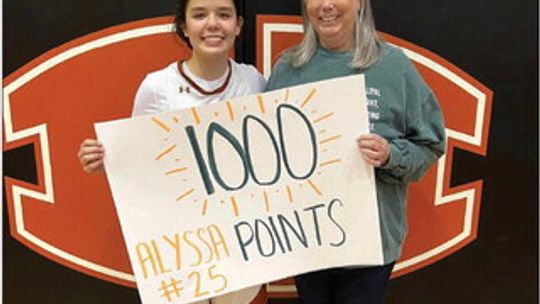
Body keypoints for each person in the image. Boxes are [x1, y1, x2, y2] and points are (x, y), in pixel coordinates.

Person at [77, 0, 265, 303]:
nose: (213, 24)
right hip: (180, 246)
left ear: (239, 25)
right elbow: (137, 161)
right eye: (200, 15)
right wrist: (105, 160)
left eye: (224, 15)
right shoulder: (157, 87)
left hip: (239, 243)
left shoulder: (254, 81)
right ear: (184, 25)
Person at [265, 0, 446, 303]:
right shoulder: (287, 69)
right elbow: (266, 153)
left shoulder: (392, 66)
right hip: (308, 243)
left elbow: (431, 144)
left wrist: (390, 155)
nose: (326, 5)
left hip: (369, 248)